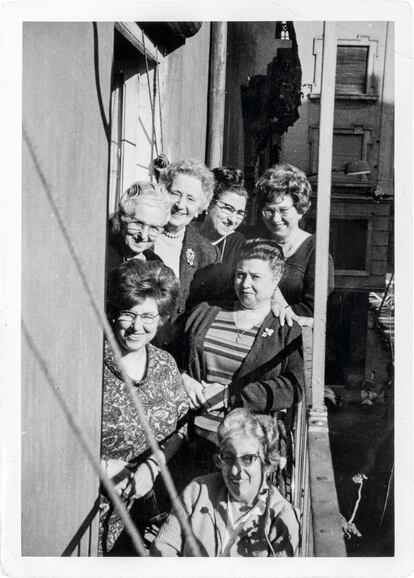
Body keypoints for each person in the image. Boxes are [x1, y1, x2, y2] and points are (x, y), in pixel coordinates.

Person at [99, 259, 189, 555]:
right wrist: (104, 466)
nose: (138, 327)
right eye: (128, 314)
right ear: (113, 314)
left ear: (162, 317)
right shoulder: (90, 361)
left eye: (148, 316)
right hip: (90, 508)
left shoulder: (165, 364)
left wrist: (152, 466)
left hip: (147, 514)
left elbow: (180, 429)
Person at [151, 408, 300, 557]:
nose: (236, 471)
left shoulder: (281, 518)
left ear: (266, 462)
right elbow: (163, 548)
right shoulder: (199, 491)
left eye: (247, 459)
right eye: (228, 458)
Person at [181, 238, 304, 416]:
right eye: (240, 275)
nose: (245, 284)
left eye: (255, 277)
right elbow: (171, 357)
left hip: (250, 434)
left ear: (276, 279)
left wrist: (229, 396)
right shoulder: (204, 312)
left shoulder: (286, 328)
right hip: (192, 426)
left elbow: (294, 386)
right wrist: (183, 378)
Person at [253, 163, 334, 325]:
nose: (275, 218)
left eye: (283, 210)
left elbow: (312, 311)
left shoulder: (316, 252)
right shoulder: (254, 242)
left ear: (301, 210)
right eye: (269, 210)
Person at [153, 159, 221, 324]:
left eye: (191, 199)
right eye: (175, 193)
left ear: (200, 208)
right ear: (163, 192)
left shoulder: (207, 253)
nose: (180, 205)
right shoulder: (142, 236)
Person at [106, 181, 171, 273]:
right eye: (138, 223)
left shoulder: (157, 266)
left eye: (153, 228)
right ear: (122, 218)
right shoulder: (103, 256)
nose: (143, 235)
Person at [196, 166, 247, 265]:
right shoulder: (184, 231)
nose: (233, 219)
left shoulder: (237, 244)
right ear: (209, 203)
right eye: (228, 209)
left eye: (240, 213)